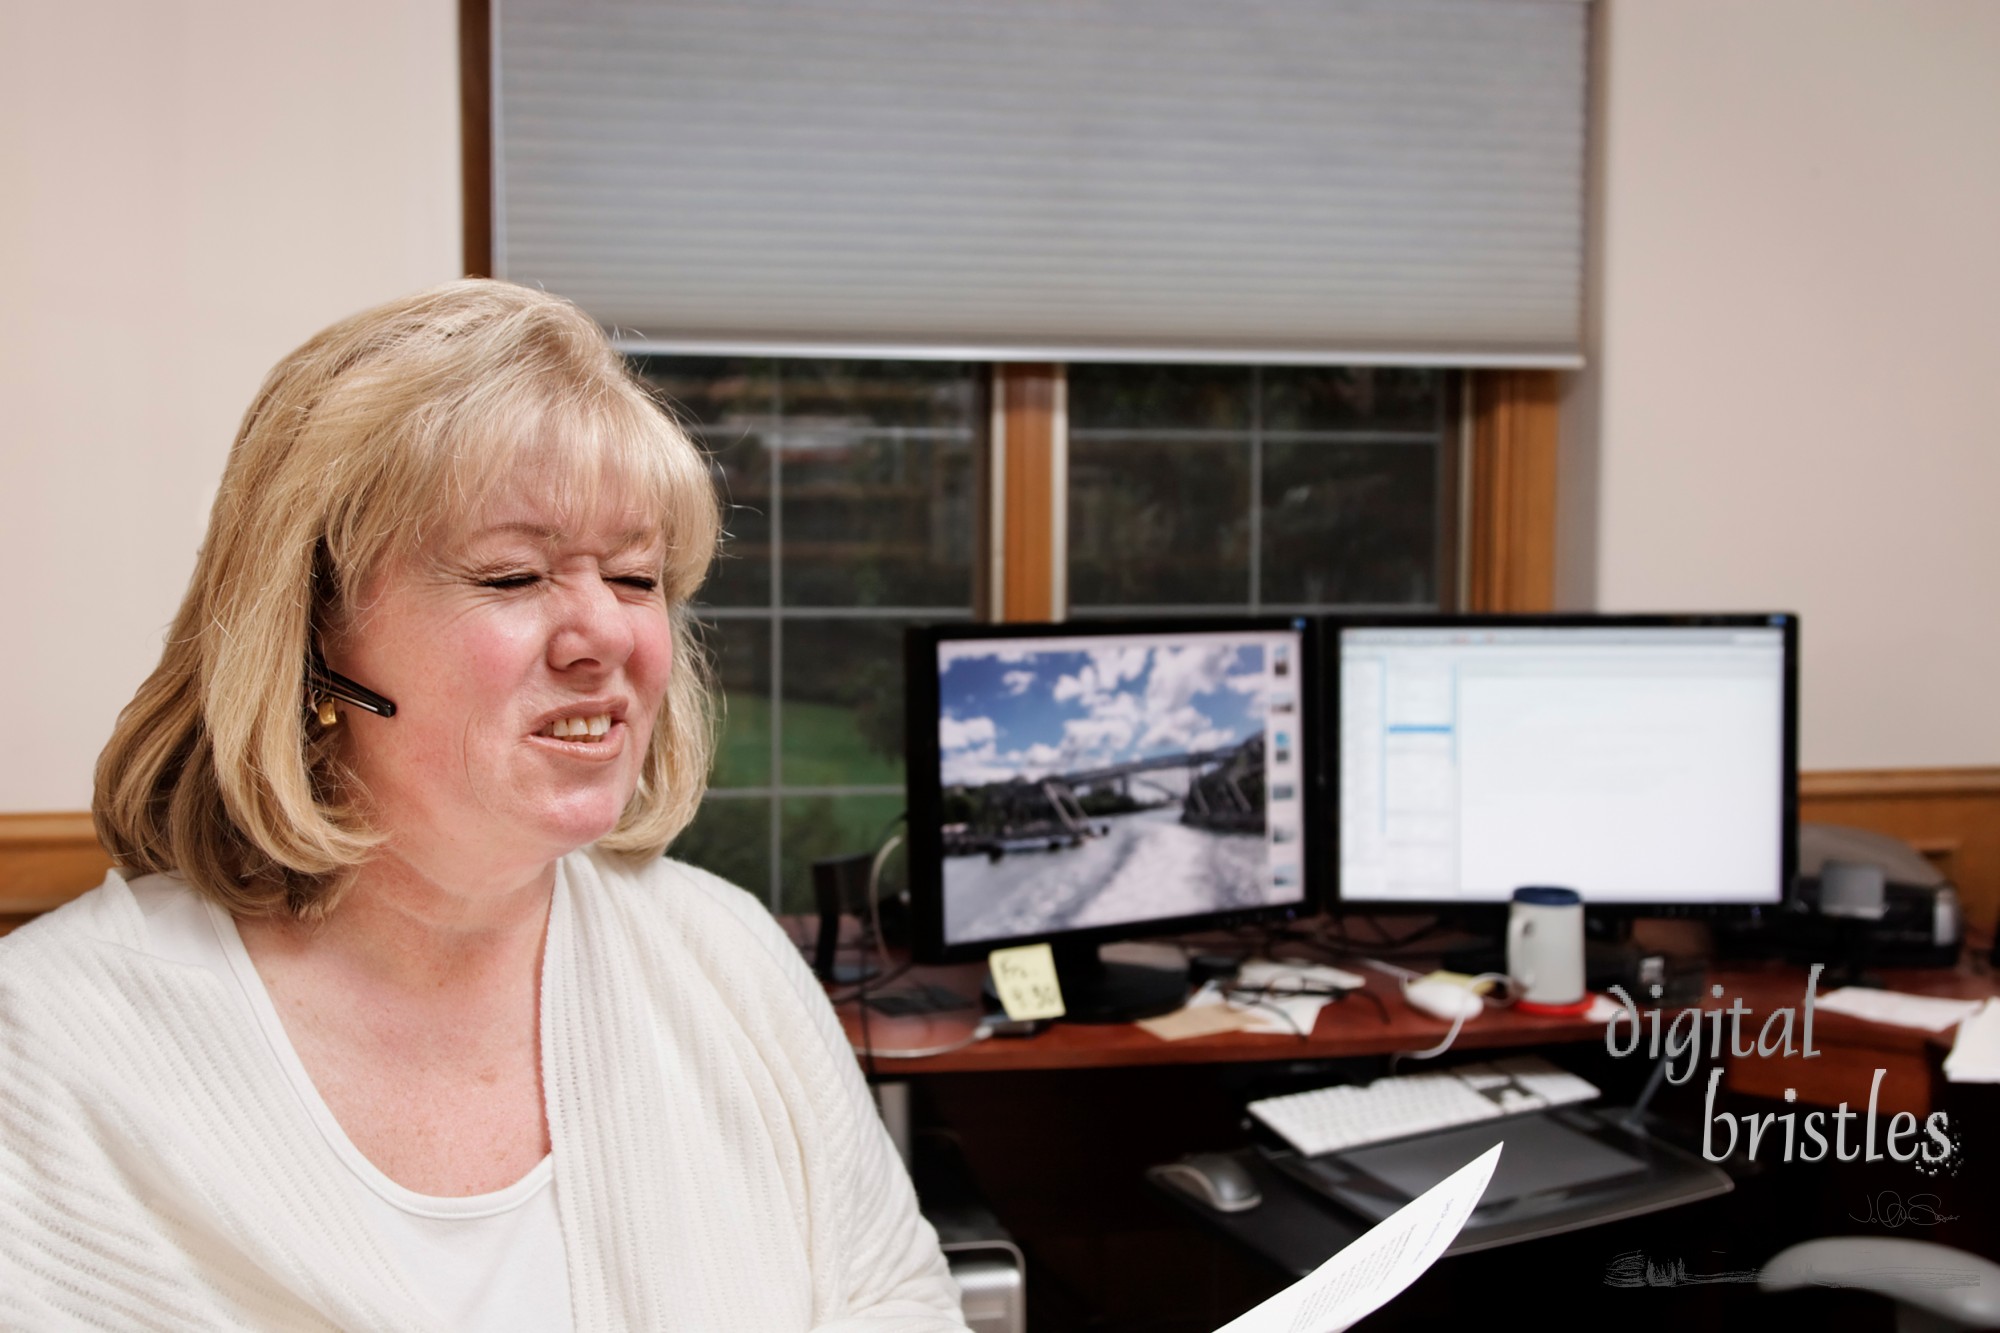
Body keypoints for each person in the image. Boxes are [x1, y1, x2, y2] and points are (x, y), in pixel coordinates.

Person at [0, 280, 969, 1331]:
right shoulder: (53, 1047)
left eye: (638, 578)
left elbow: (895, 1301)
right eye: (511, 576)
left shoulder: (723, 958)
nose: (603, 634)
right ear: (311, 632)